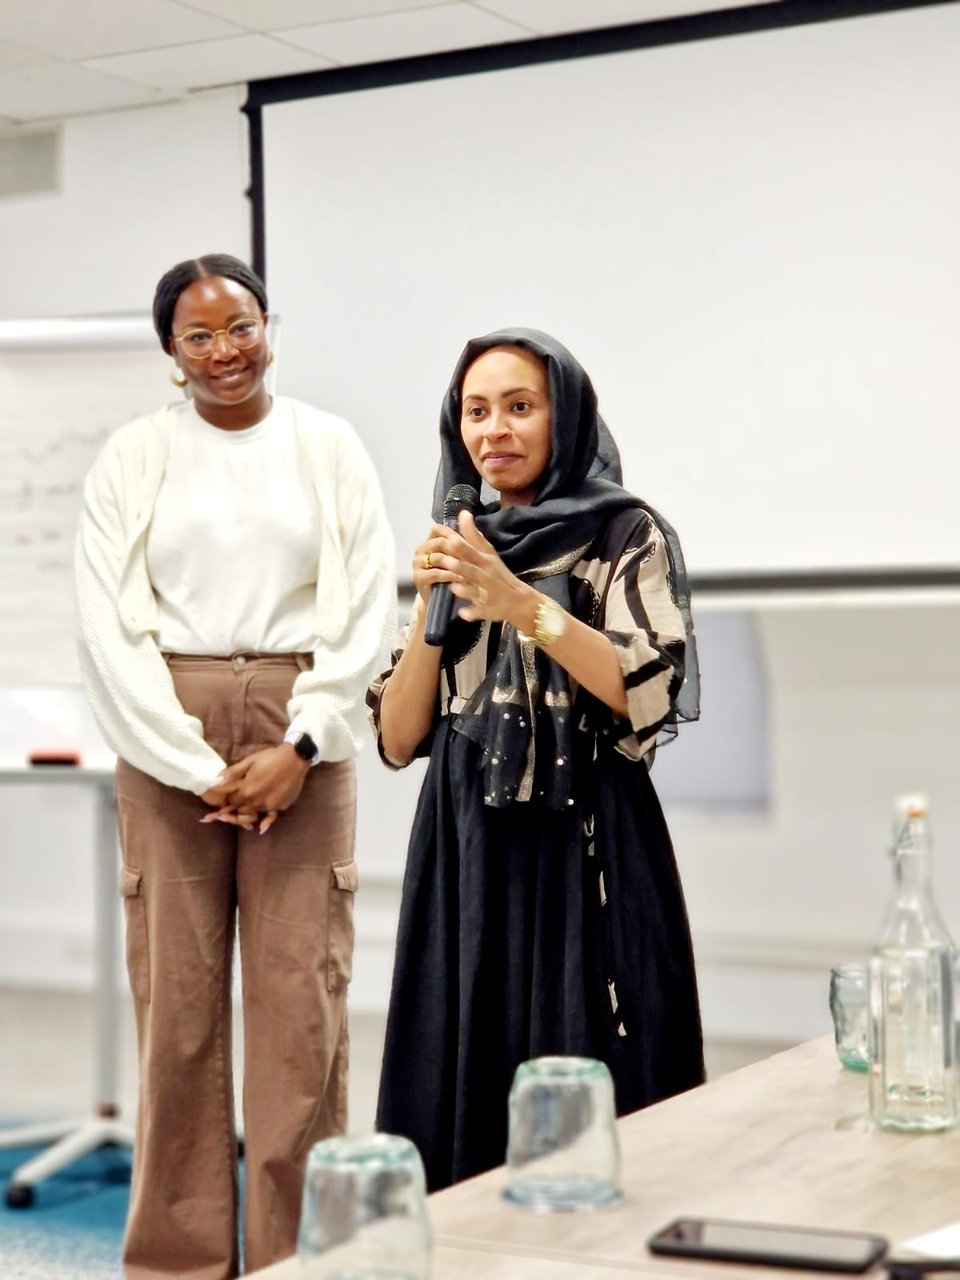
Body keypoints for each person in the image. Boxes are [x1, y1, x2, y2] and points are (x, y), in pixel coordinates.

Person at [75, 253, 395, 1279]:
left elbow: (362, 609)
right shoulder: (134, 455)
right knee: (178, 1009)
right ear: (170, 351)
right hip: (169, 722)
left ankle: (302, 1259)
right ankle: (176, 1259)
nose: (226, 351)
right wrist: (191, 762)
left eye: (241, 325)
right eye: (200, 335)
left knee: (301, 1013)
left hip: (304, 721)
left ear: (270, 325)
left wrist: (298, 746)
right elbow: (106, 623)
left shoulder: (325, 444)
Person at [367, 328, 704, 1192]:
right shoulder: (459, 542)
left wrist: (520, 603)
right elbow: (400, 738)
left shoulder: (625, 531)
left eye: (520, 407)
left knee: (587, 1060)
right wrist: (432, 613)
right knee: (460, 1067)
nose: (495, 431)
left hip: (586, 834)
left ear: (566, 415)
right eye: (476, 411)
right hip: (465, 843)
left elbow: (647, 689)